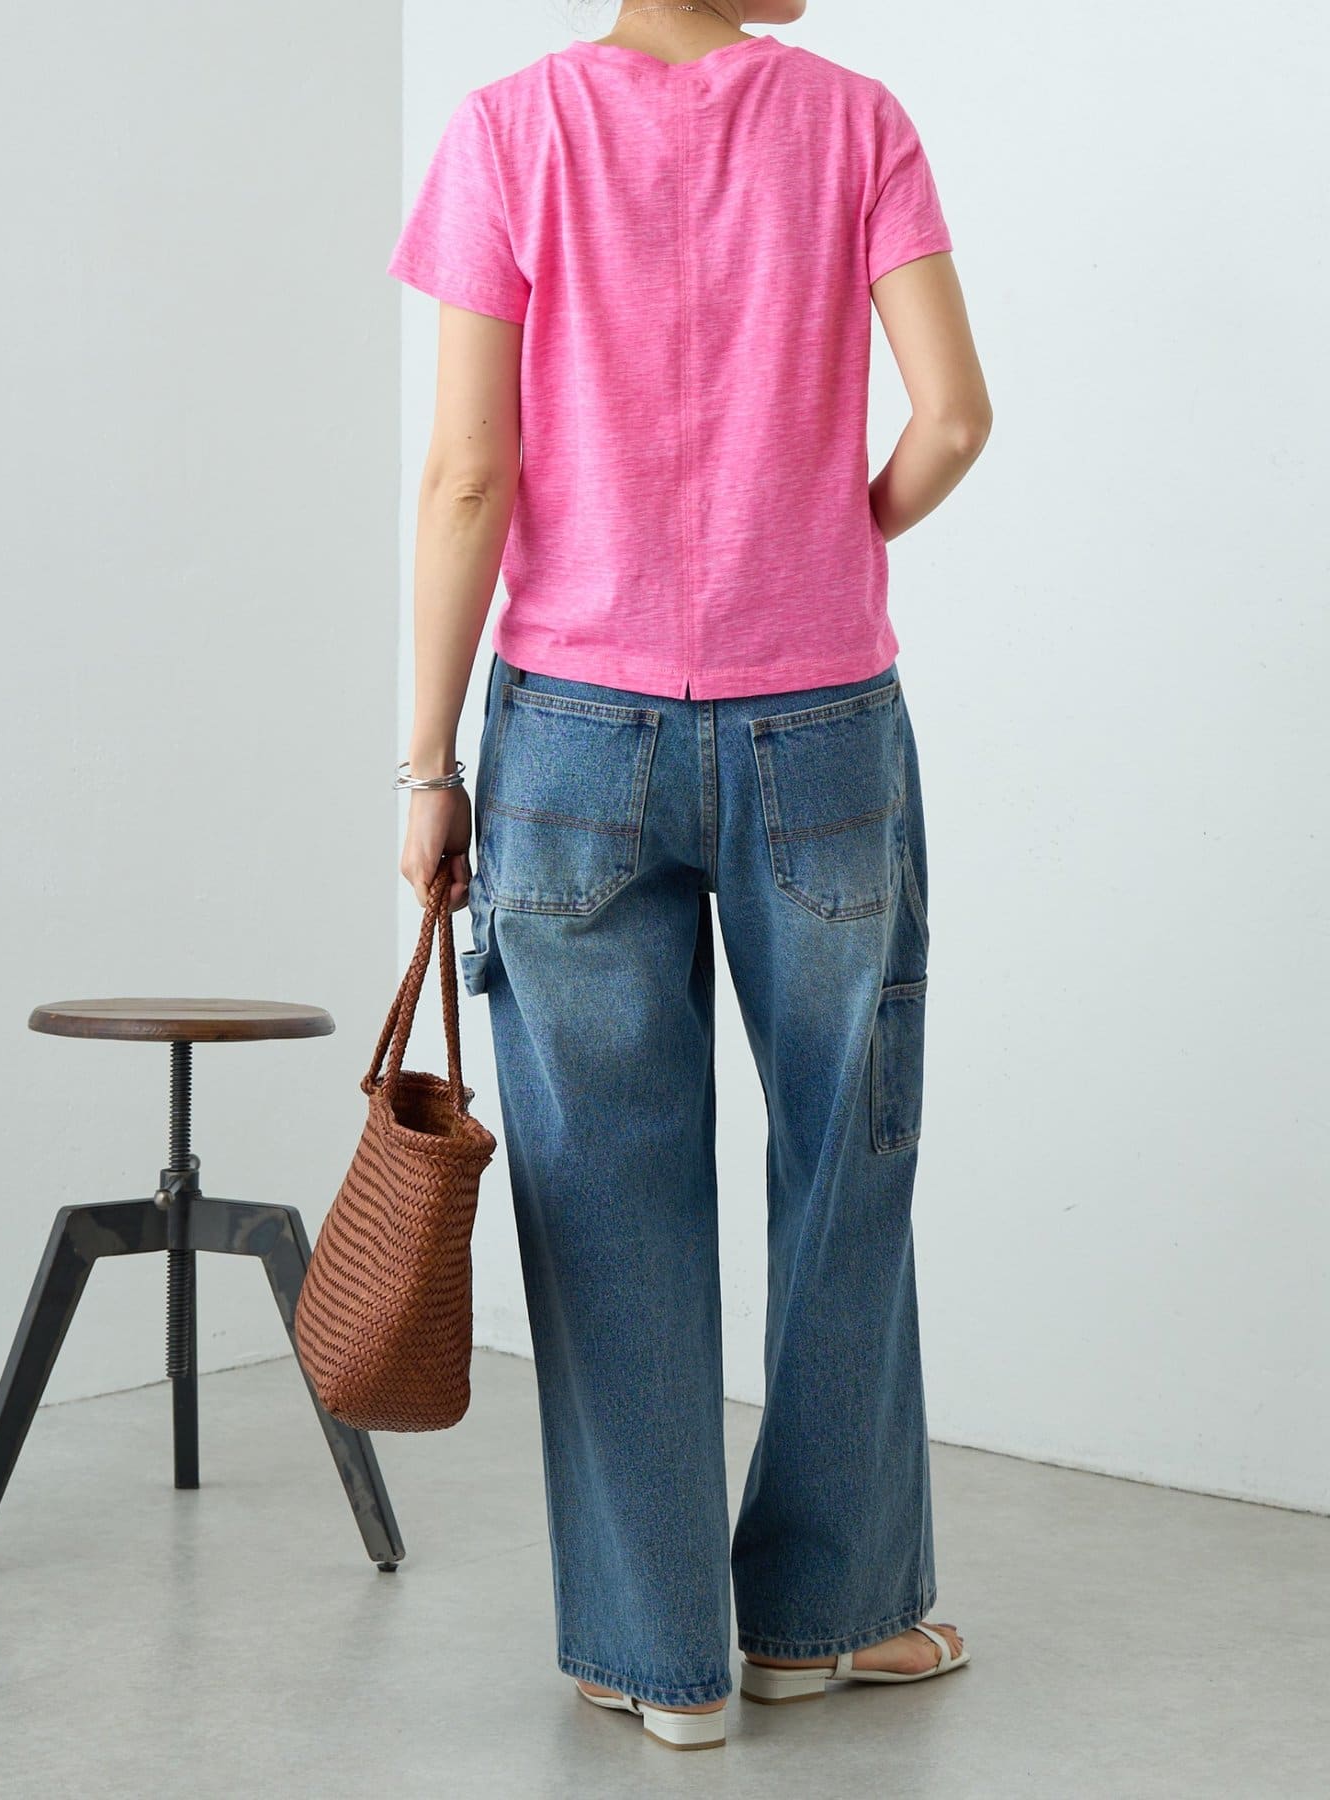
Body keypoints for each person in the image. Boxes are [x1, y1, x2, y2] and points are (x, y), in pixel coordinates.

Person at [386, 0, 992, 1753]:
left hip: (573, 735)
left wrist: (428, 765)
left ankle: (662, 1661)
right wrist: (837, 532)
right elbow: (954, 419)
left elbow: (471, 473)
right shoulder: (856, 122)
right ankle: (825, 1620)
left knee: (602, 1188)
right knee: (845, 1159)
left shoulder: (509, 131)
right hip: (824, 729)